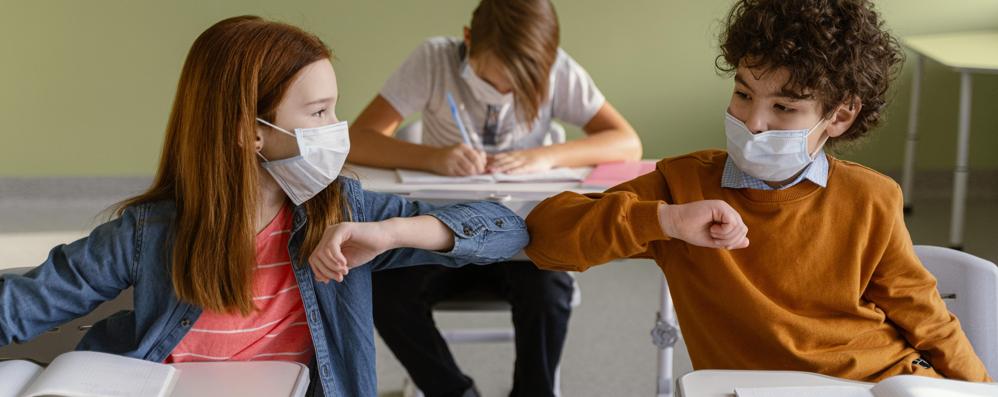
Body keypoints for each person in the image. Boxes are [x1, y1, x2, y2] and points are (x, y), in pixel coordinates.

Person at [0, 16, 529, 397]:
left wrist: (393, 233)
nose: (337, 129)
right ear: (248, 133)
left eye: (333, 108)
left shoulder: (342, 213)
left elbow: (506, 229)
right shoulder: (149, 232)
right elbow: (22, 306)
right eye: (319, 111)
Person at [524, 0, 991, 382]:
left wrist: (982, 390)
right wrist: (663, 220)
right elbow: (547, 236)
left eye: (784, 107)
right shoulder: (683, 186)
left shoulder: (873, 197)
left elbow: (927, 319)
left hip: (883, 383)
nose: (753, 122)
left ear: (841, 115)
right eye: (743, 94)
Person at [348, 1, 641, 395]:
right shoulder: (434, 60)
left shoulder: (556, 69)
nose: (502, 95)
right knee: (384, 290)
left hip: (521, 242)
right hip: (438, 239)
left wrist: (542, 157)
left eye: (518, 86)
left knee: (551, 290)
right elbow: (356, 141)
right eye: (492, 80)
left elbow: (627, 142)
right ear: (468, 40)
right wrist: (432, 158)